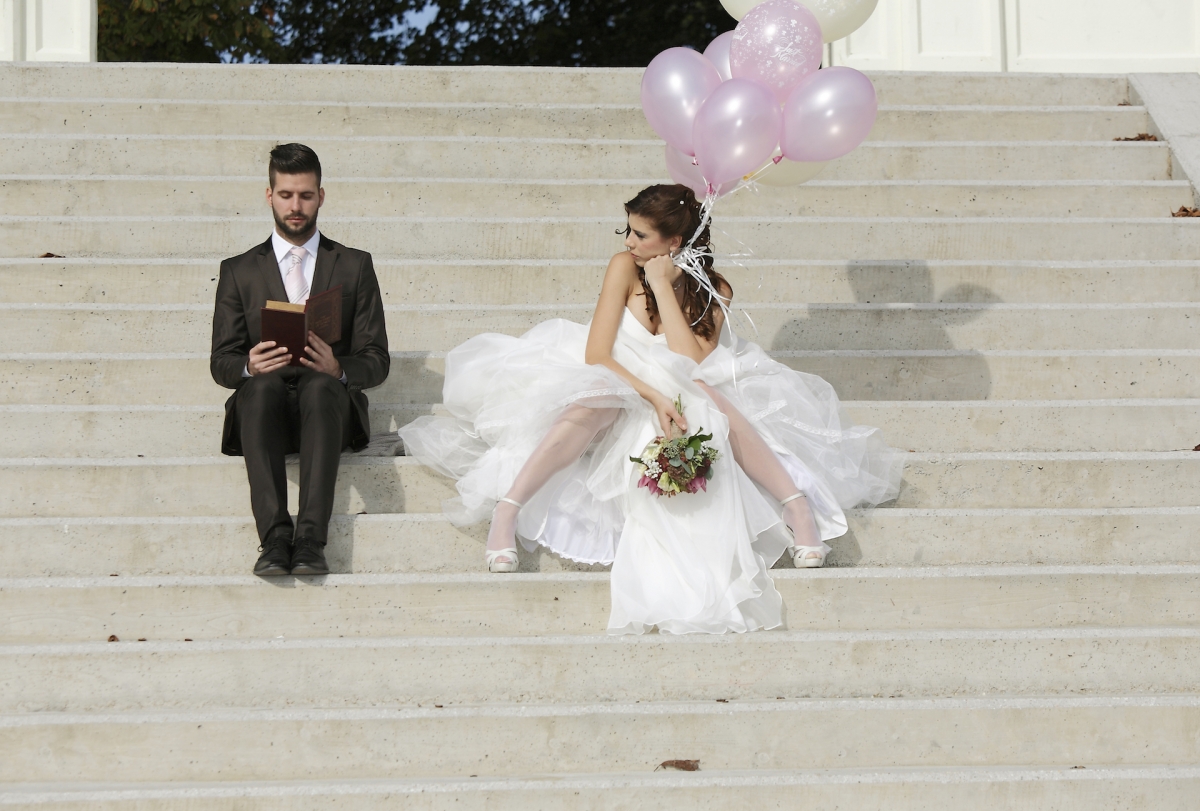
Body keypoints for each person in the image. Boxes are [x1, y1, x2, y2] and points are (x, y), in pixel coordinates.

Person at [400, 184, 902, 634]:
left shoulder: (716, 288)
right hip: (621, 373)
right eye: (628, 230)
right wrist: (652, 395)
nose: (629, 242)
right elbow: (597, 353)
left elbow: (691, 361)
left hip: (688, 380)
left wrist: (664, 285)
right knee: (594, 400)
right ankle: (507, 510)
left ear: (673, 243)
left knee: (715, 401)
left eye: (640, 235)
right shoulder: (622, 267)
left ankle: (796, 505)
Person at [211, 143, 390, 576]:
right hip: (264, 409)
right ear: (269, 195)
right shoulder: (238, 270)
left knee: (322, 385)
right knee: (260, 389)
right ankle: (274, 540)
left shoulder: (354, 265)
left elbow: (377, 358)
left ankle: (310, 541)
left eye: (306, 195)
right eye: (287, 195)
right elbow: (221, 361)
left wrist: (341, 369)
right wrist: (249, 365)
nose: (296, 206)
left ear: (321, 196)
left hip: (326, 408)